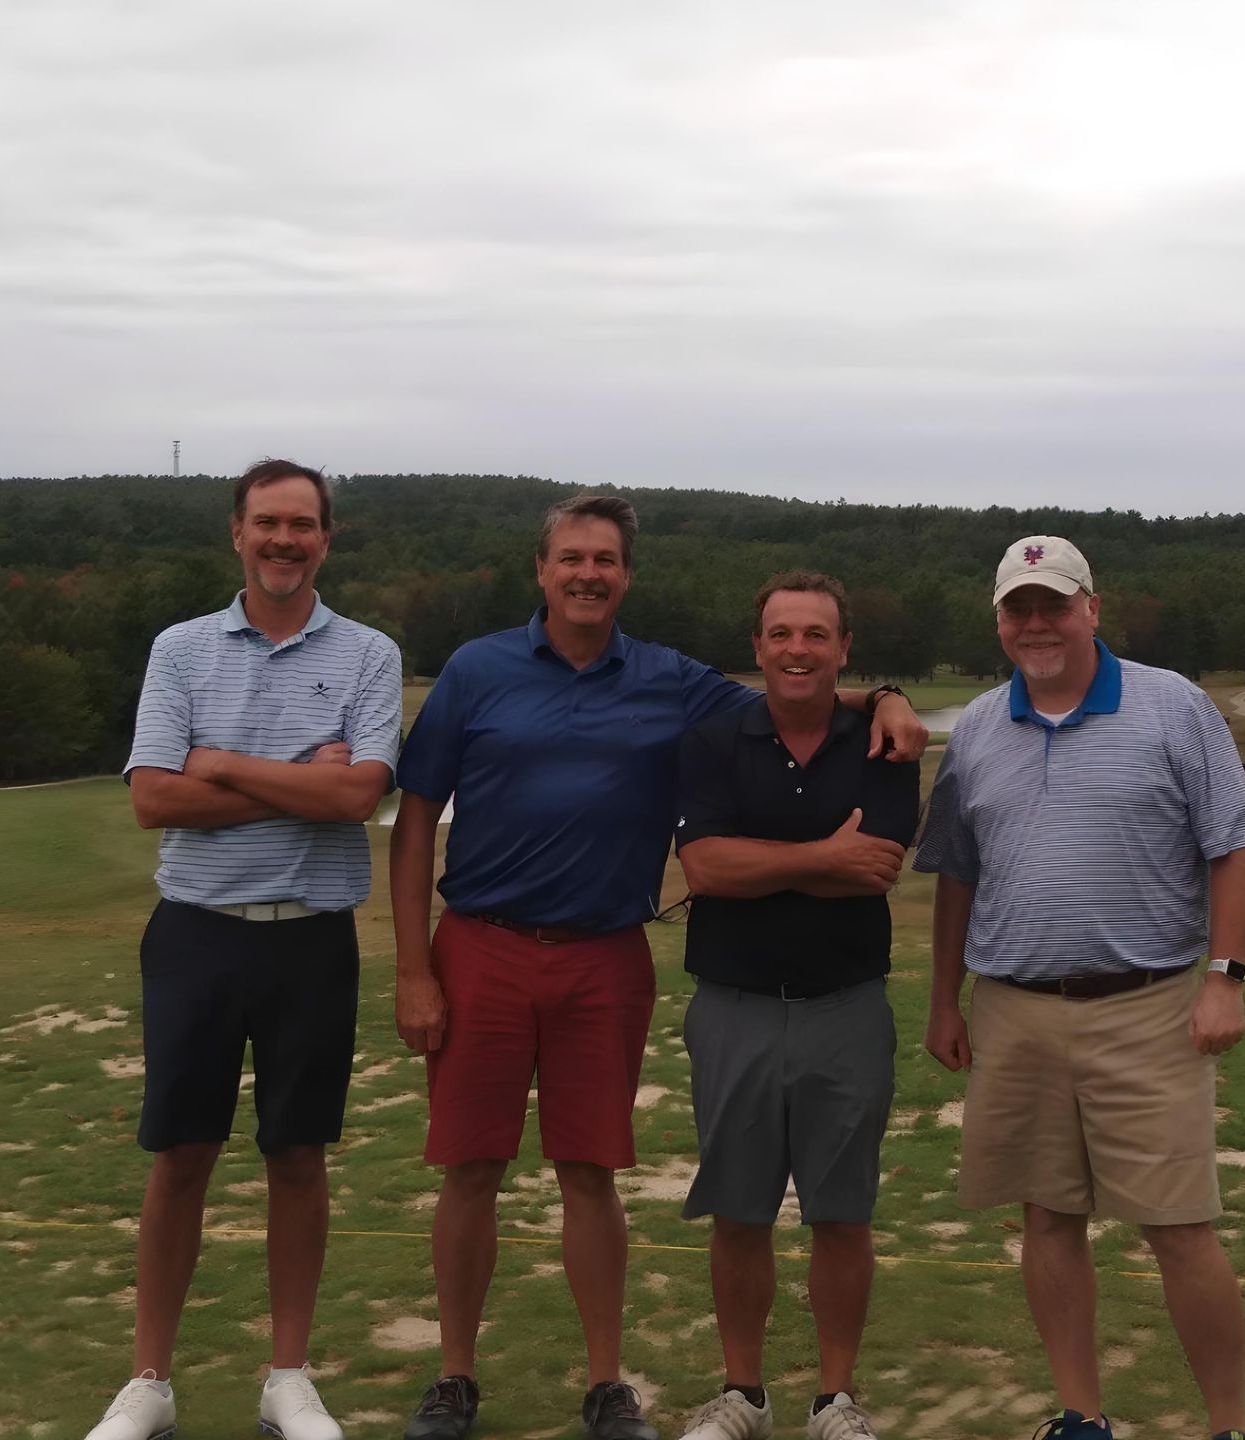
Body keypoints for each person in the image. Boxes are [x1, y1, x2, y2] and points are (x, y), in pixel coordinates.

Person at [389, 496, 927, 1440]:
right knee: (470, 1167)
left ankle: (607, 1386)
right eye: (571, 557)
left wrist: (881, 696)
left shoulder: (671, 679)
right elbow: (414, 821)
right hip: (479, 944)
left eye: (605, 559)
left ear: (626, 575)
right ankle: (455, 1377)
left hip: (604, 952)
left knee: (588, 1170)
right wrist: (412, 970)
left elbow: (793, 691)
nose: (588, 573)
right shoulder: (478, 670)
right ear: (543, 570)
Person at [915, 535, 1245, 1440]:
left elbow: (1234, 846)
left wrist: (1224, 978)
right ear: (998, 621)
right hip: (1017, 1008)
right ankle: (1081, 1415)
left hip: (1147, 1006)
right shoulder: (982, 727)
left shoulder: (1173, 706)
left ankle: (1229, 1425)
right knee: (1048, 1218)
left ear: (1091, 609)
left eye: (1053, 605)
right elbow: (955, 873)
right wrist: (943, 999)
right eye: (1018, 609)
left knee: (1179, 1228)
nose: (1036, 624)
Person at [81, 459, 401, 1440]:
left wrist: (218, 764)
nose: (284, 540)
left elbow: (359, 797)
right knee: (181, 1155)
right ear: (237, 532)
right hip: (196, 938)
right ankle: (150, 1383)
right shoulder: (180, 651)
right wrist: (290, 779)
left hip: (311, 942)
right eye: (267, 522)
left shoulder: (368, 655)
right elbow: (153, 798)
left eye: (302, 524)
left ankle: (288, 1378)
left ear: (325, 539)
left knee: (296, 1156)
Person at [671, 572, 920, 1440]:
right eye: (781, 633)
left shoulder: (888, 742)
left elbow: (877, 863)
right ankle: (743, 1394)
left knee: (841, 1213)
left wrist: (762, 858)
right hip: (732, 1005)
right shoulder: (709, 741)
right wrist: (820, 857)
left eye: (817, 634)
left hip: (847, 1008)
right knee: (739, 1211)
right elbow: (704, 870)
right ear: (758, 646)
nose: (798, 649)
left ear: (845, 648)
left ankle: (835, 1401)